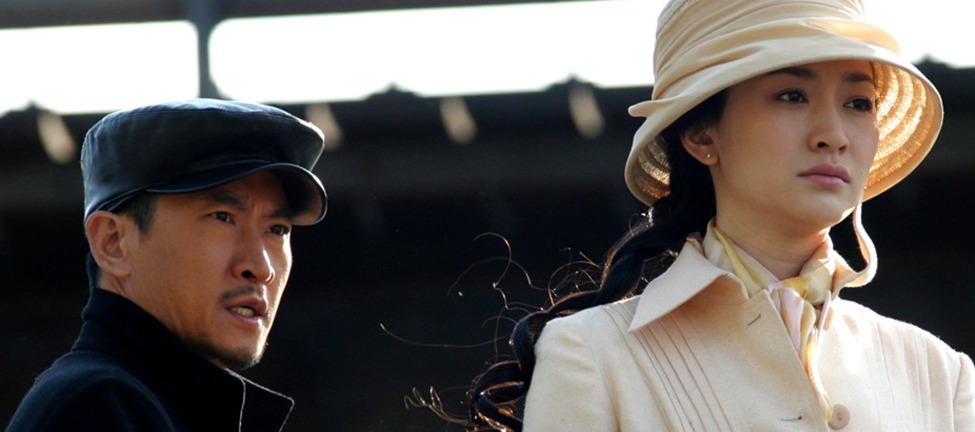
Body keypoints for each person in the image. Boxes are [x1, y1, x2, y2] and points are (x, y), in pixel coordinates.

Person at [463, 0, 975, 430]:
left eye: (859, 103)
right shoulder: (591, 356)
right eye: (792, 95)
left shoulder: (940, 375)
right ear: (701, 134)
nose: (834, 135)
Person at [6, 99, 328, 431]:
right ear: (113, 242)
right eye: (222, 217)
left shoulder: (142, 402)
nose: (261, 267)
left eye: (277, 229)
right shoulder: (100, 405)